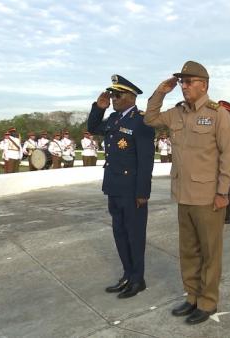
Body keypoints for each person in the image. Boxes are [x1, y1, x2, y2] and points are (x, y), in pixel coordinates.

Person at [144, 61, 230, 325]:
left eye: (188, 82)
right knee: (188, 251)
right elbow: (150, 119)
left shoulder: (218, 114)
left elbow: (228, 155)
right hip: (183, 195)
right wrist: (161, 91)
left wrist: (222, 192)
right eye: (182, 82)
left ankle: (207, 301)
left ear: (203, 85)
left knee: (210, 253)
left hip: (208, 197)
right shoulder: (176, 113)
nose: (184, 86)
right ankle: (192, 297)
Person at [88, 74, 155, 299]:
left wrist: (143, 193)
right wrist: (99, 107)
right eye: (112, 94)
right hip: (114, 186)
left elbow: (146, 160)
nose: (113, 98)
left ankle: (138, 279)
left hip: (132, 190)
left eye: (117, 95)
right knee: (120, 233)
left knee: (135, 235)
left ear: (131, 96)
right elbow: (93, 126)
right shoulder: (114, 118)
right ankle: (127, 275)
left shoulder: (142, 121)